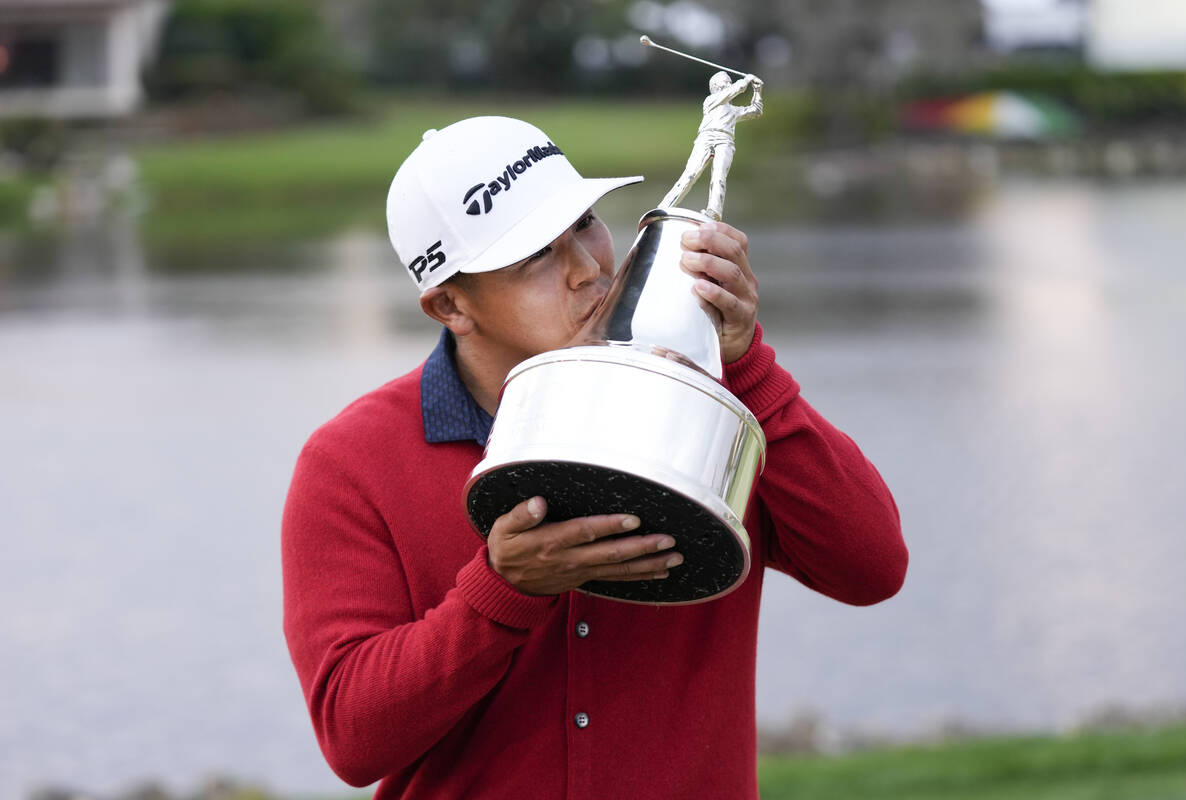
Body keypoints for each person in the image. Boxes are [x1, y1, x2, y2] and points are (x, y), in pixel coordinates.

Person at [282, 116, 907, 800]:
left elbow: (871, 568)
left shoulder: (701, 401)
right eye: (535, 259)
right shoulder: (351, 462)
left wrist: (746, 365)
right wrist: (502, 592)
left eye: (585, 223)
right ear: (450, 305)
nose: (589, 269)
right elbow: (353, 738)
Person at [660, 71, 764, 220]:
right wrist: (745, 80)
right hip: (706, 138)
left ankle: (714, 212)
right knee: (690, 174)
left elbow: (756, 111)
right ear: (715, 86)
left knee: (719, 176)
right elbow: (734, 91)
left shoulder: (733, 110)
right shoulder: (711, 101)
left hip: (725, 141)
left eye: (729, 81)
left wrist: (757, 90)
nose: (728, 84)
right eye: (725, 82)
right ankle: (664, 207)